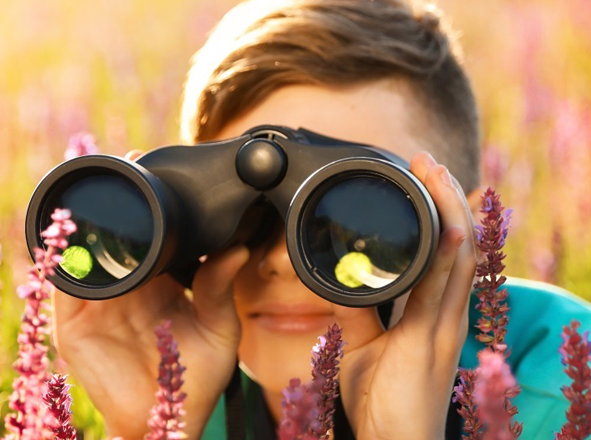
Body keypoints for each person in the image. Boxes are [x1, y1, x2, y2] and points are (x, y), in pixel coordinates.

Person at [50, 0, 591, 438]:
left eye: (359, 211)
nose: (284, 259)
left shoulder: (568, 387)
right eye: (247, 215)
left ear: (470, 232)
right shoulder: (195, 389)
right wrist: (157, 430)